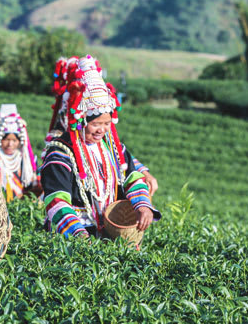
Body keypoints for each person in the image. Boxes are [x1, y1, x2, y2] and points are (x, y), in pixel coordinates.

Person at [40, 55, 161, 239]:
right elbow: (57, 200)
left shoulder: (112, 147)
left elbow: (132, 177)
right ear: (80, 120)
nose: (102, 130)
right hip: (73, 238)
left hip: (111, 233)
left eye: (107, 124)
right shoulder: (60, 153)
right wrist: (78, 233)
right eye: (96, 124)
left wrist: (142, 206)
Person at [0, 104, 39, 202]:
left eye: (14, 140)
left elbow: (34, 188)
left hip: (23, 207)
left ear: (20, 141)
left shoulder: (27, 161)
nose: (10, 144)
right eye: (6, 139)